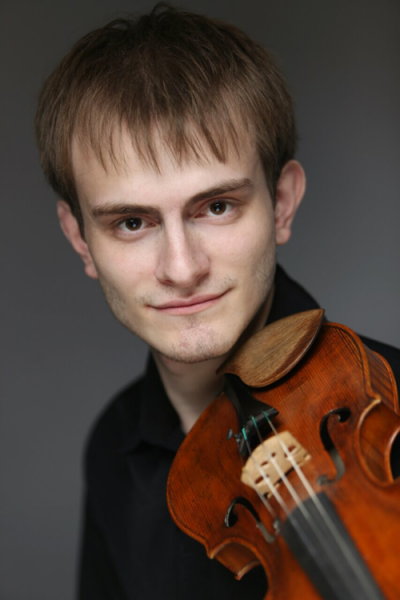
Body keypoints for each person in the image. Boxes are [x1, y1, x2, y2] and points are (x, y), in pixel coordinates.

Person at [35, 4, 400, 599]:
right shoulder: (113, 452)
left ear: (281, 205)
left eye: (217, 207)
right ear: (81, 240)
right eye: (132, 222)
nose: (182, 269)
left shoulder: (394, 406)